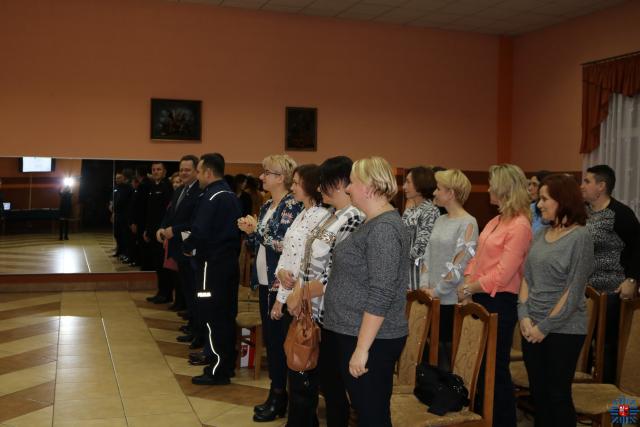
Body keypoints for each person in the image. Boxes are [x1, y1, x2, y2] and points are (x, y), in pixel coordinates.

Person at [323, 156, 409, 427]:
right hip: (355, 331)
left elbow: (381, 292)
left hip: (373, 339)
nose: (348, 188)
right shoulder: (372, 222)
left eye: (352, 182)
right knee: (367, 411)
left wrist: (362, 349)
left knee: (373, 415)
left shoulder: (384, 229)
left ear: (369, 187)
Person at [280, 156, 364, 427]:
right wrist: (297, 292)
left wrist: (301, 293)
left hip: (336, 314)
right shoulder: (332, 216)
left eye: (323, 182)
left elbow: (334, 272)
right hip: (315, 311)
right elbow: (308, 260)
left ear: (338, 182)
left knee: (335, 387)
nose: (319, 188)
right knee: (323, 383)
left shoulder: (354, 218)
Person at [459, 164, 532, 427]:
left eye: (492, 184)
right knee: (480, 366)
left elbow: (503, 273)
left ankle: (503, 421)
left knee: (495, 368)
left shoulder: (520, 225)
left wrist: (470, 288)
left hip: (500, 301)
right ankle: (483, 417)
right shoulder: (495, 220)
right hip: (480, 297)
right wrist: (467, 282)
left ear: (504, 188)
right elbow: (476, 258)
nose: (488, 188)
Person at [519, 174, 594, 427]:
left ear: (562, 200)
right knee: (539, 395)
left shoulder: (580, 237)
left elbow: (573, 290)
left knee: (557, 396)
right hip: (531, 326)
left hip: (564, 329)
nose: (539, 205)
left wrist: (545, 326)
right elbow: (527, 278)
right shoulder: (541, 234)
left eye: (544, 199)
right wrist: (524, 316)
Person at [237, 154, 303, 421]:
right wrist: (250, 233)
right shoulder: (266, 206)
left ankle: (281, 396)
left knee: (280, 342)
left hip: (282, 284)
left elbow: (285, 245)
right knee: (272, 343)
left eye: (266, 172)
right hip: (264, 281)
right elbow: (260, 246)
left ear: (280, 177)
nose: (261, 177)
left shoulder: (293, 206)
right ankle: (276, 393)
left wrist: (258, 232)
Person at [185, 153, 242, 386]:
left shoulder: (213, 196)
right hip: (226, 264)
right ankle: (225, 364)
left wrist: (187, 246)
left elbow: (200, 231)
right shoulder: (228, 194)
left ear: (208, 172)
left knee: (212, 316)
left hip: (211, 265)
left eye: (199, 171)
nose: (197, 176)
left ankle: (218, 368)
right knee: (224, 315)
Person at [581, 164, 640, 383]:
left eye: (587, 181)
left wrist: (632, 279)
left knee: (607, 348)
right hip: (585, 292)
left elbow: (638, 247)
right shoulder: (584, 212)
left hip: (611, 291)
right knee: (584, 344)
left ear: (601, 186)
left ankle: (610, 399)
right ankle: (585, 393)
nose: (582, 186)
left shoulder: (620, 214)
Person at [420, 169, 478, 371]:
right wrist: (424, 286)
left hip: (449, 301)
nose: (434, 193)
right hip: (430, 297)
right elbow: (427, 254)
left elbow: (459, 264)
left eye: (438, 188)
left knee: (445, 359)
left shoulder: (468, 222)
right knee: (428, 357)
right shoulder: (440, 219)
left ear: (451, 193)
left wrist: (437, 291)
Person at [157, 155, 200, 320]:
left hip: (191, 246)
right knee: (186, 285)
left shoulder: (200, 192)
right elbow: (170, 213)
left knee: (193, 286)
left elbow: (195, 221)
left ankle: (194, 321)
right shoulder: (180, 190)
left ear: (196, 171)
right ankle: (191, 318)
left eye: (187, 170)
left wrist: (174, 230)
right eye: (181, 170)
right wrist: (162, 228)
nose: (183, 173)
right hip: (178, 247)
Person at [402, 166, 440, 290]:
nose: (404, 187)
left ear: (420, 185)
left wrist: (396, 255)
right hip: (405, 277)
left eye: (408, 182)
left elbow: (421, 248)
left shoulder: (431, 211)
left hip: (419, 279)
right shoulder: (410, 211)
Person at [144, 162, 174, 304]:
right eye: (154, 169)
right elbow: (149, 211)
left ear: (164, 172)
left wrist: (163, 231)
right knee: (157, 264)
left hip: (162, 233)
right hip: (152, 231)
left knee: (163, 266)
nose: (156, 172)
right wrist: (147, 230)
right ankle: (161, 292)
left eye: (159, 169)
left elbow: (168, 213)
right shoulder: (152, 187)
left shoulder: (167, 187)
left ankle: (166, 294)